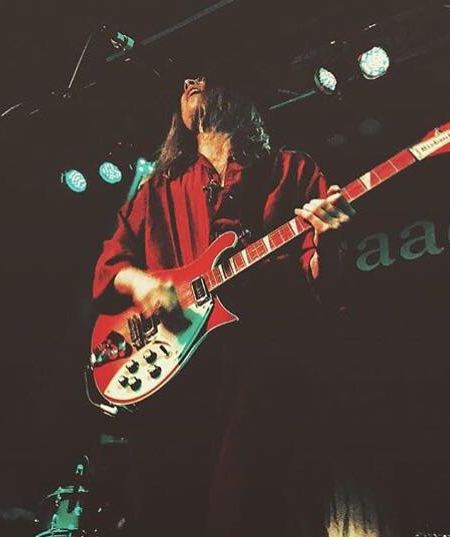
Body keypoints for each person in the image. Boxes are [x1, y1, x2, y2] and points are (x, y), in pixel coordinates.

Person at [92, 76, 356, 537]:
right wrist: (143, 283)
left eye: (204, 75)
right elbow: (113, 261)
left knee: (250, 505)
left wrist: (329, 241)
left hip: (261, 371)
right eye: (185, 80)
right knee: (162, 508)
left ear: (237, 92)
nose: (190, 82)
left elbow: (323, 284)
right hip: (171, 376)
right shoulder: (158, 187)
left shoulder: (290, 169)